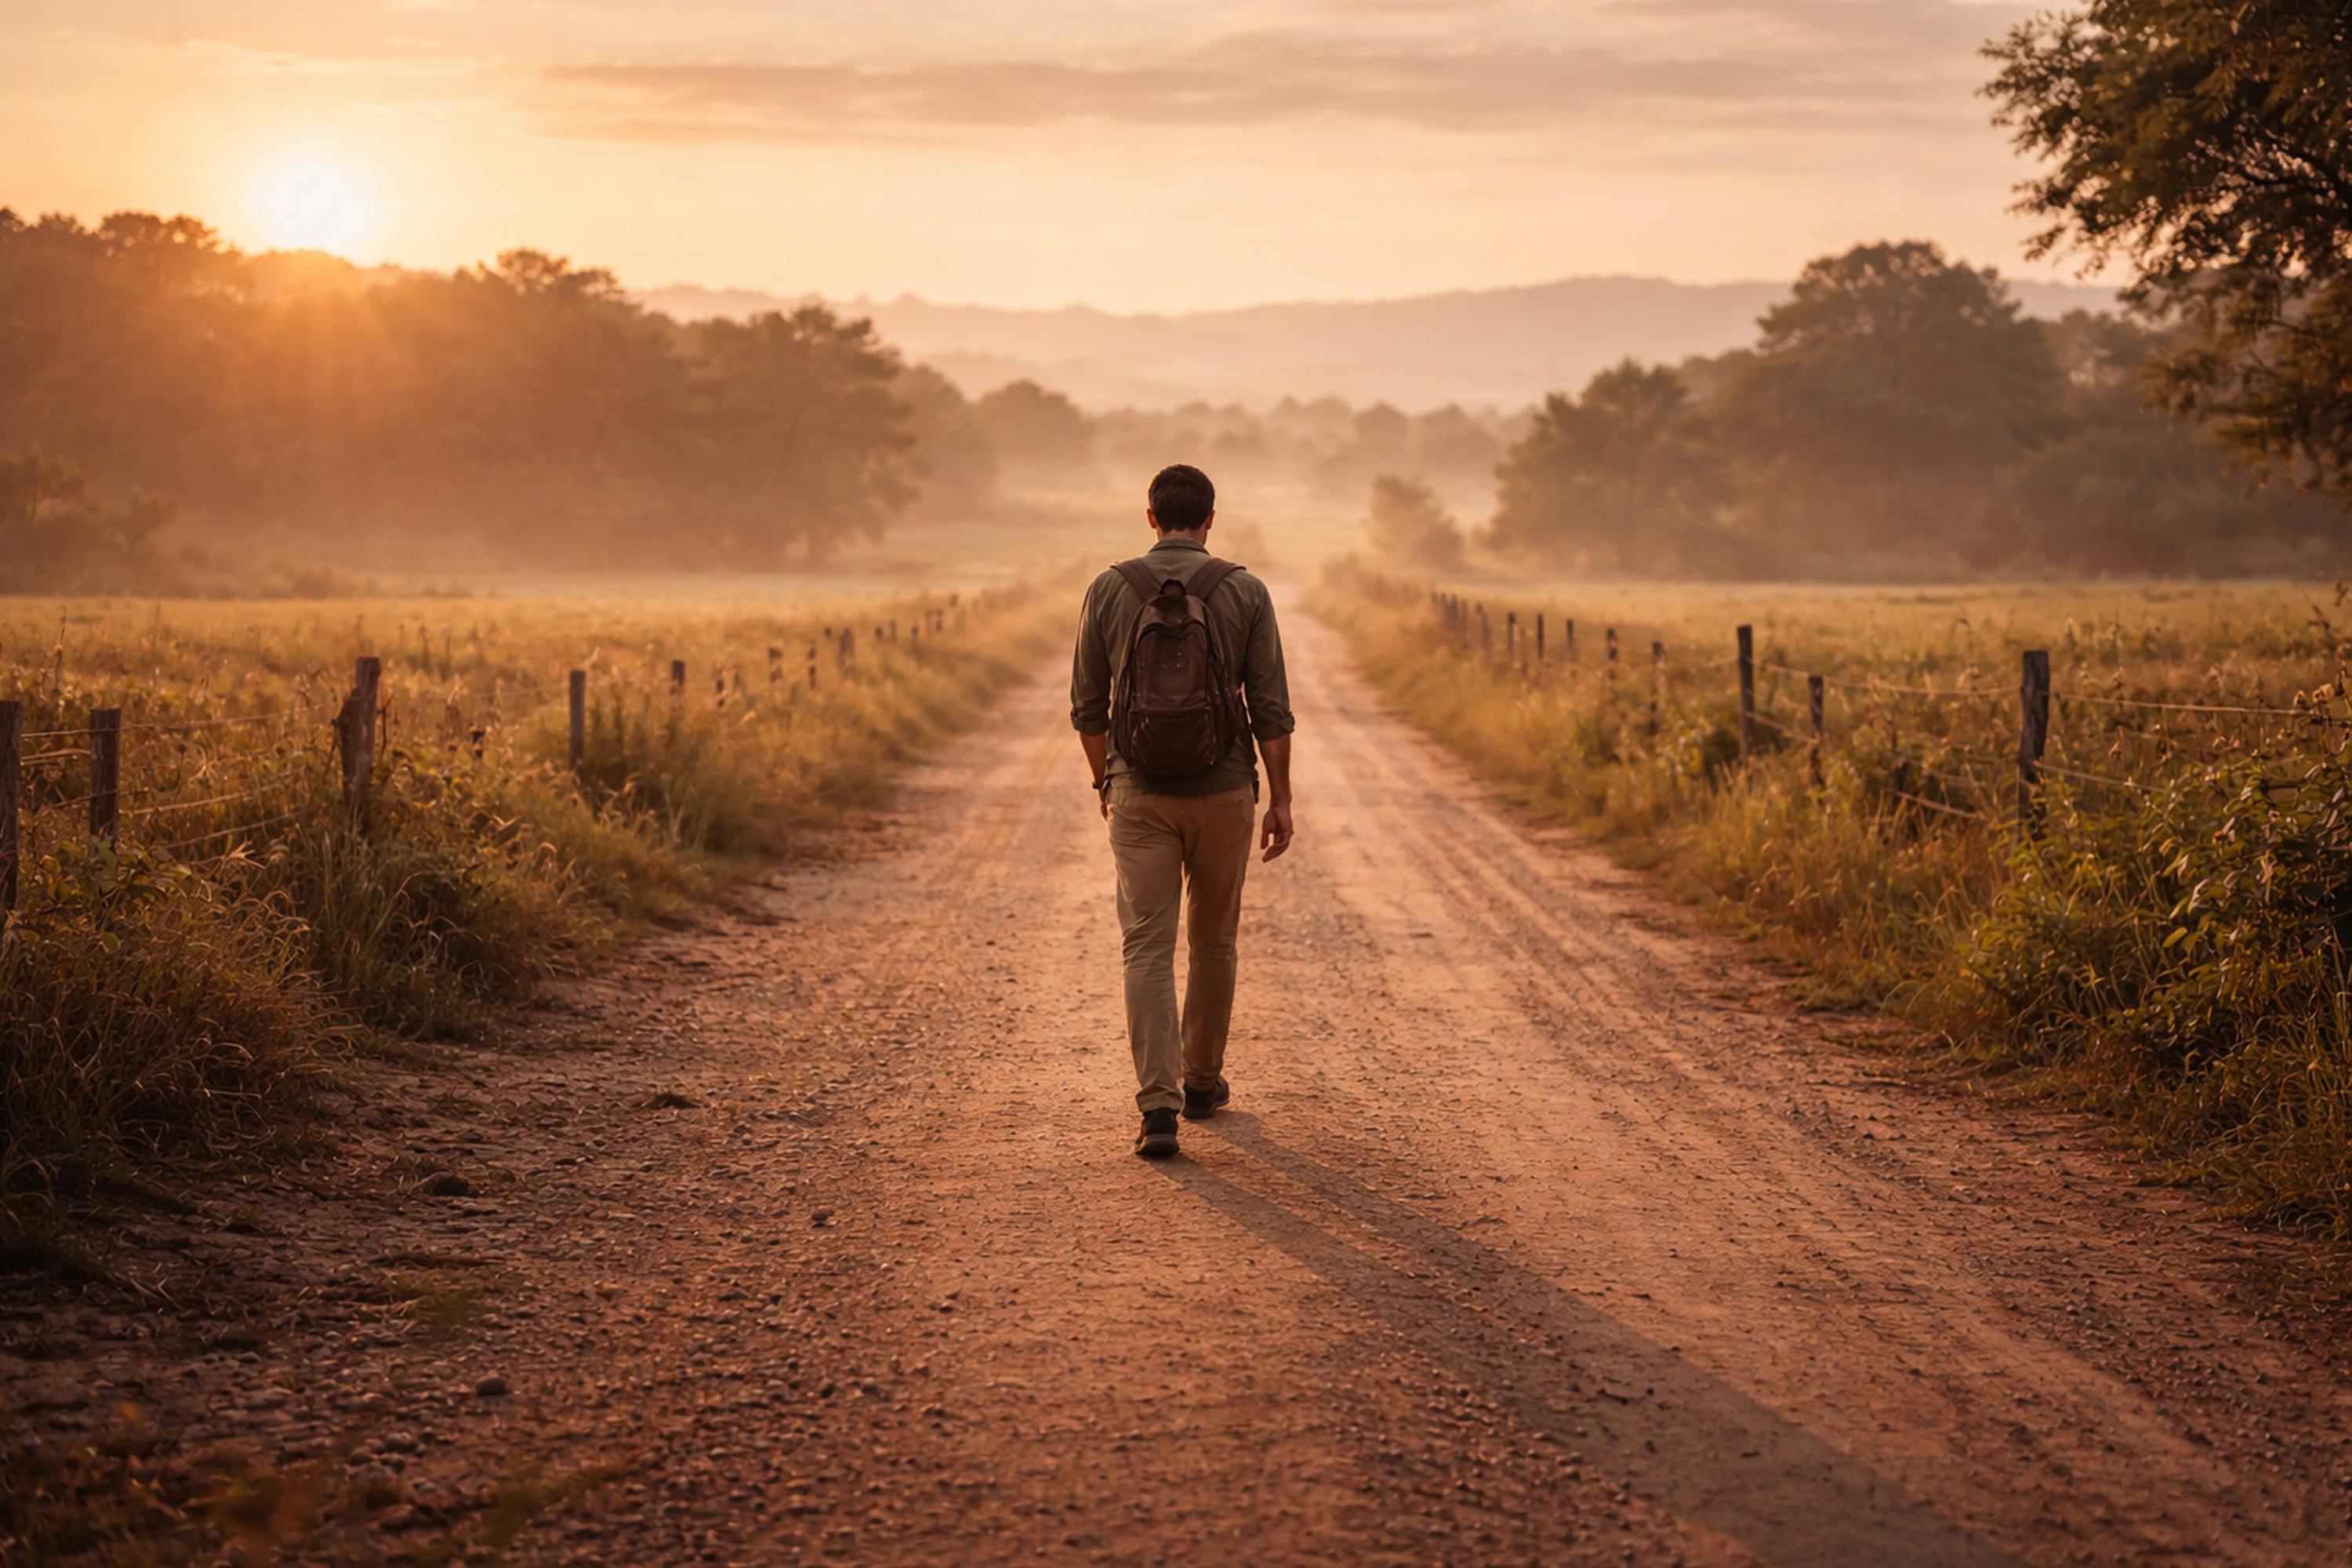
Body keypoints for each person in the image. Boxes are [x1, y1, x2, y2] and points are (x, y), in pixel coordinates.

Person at [1070, 463, 1295, 1159]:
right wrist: (1281, 797)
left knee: (1146, 946)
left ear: (1151, 518)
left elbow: (1087, 708)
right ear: (1210, 520)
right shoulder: (1246, 591)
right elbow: (1271, 709)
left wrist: (1107, 783)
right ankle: (1201, 1083)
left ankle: (1158, 1108)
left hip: (1138, 793)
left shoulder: (1109, 588)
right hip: (1224, 791)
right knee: (1214, 941)